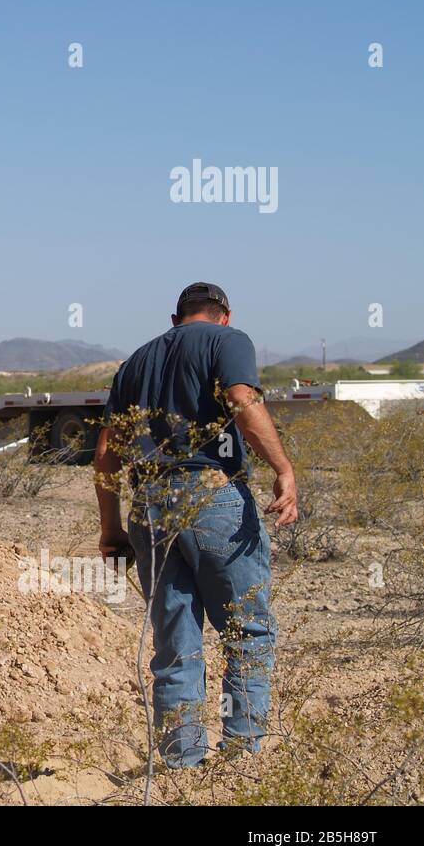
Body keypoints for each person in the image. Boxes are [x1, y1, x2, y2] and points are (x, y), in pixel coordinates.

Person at [93, 282, 299, 767]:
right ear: (224, 316)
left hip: (148, 508)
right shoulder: (229, 341)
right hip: (212, 496)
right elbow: (243, 401)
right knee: (247, 632)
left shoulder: (135, 362)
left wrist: (110, 530)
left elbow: (105, 455)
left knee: (175, 643)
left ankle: (181, 765)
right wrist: (284, 470)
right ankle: (240, 759)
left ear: (174, 319)